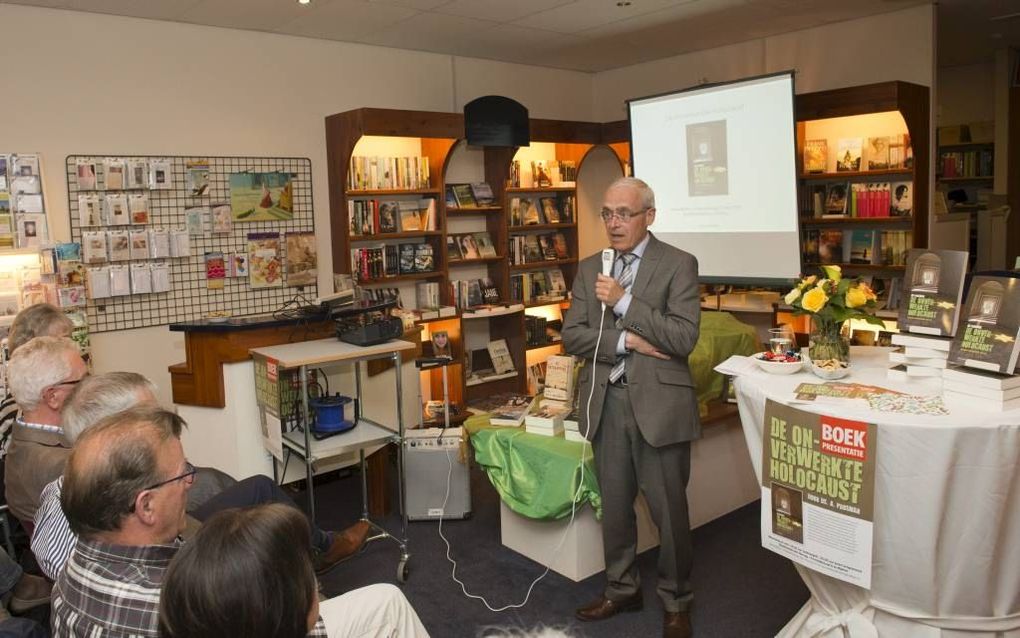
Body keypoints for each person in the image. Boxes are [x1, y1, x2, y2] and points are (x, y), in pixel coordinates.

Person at [52, 406, 428, 638]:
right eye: (182, 474)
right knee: (387, 602)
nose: (190, 482)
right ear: (145, 506)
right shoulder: (182, 611)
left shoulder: (71, 572)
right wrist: (300, 598)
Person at [32, 372, 369, 580]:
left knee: (253, 488)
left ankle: (318, 548)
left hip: (177, 549)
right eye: (153, 418)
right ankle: (312, 554)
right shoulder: (136, 572)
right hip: (189, 564)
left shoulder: (64, 489)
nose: (165, 423)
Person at [562, 177, 701, 638]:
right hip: (607, 403)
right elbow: (573, 336)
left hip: (660, 407)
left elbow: (682, 338)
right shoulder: (588, 269)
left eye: (624, 213)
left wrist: (624, 301)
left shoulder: (679, 264)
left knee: (668, 513)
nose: (614, 223)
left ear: (649, 217)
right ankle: (621, 589)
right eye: (607, 213)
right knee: (616, 509)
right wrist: (629, 339)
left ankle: (676, 601)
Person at [5, 336, 85, 525]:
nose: (90, 388)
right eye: (82, 381)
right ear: (53, 397)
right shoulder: (64, 465)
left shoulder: (19, 445)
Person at [0, 304, 73, 458]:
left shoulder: (69, 391)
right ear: (32, 350)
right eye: (61, 341)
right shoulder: (15, 409)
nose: (72, 347)